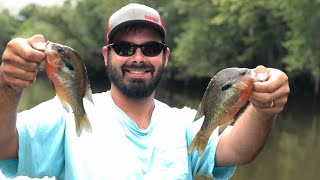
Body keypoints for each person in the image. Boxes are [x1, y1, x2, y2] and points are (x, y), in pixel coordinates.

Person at [0, 3, 289, 180]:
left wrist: (265, 108)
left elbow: (238, 150)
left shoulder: (184, 124)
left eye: (150, 48)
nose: (137, 58)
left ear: (165, 57)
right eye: (124, 48)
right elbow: (4, 145)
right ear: (105, 55)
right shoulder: (67, 112)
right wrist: (8, 85)